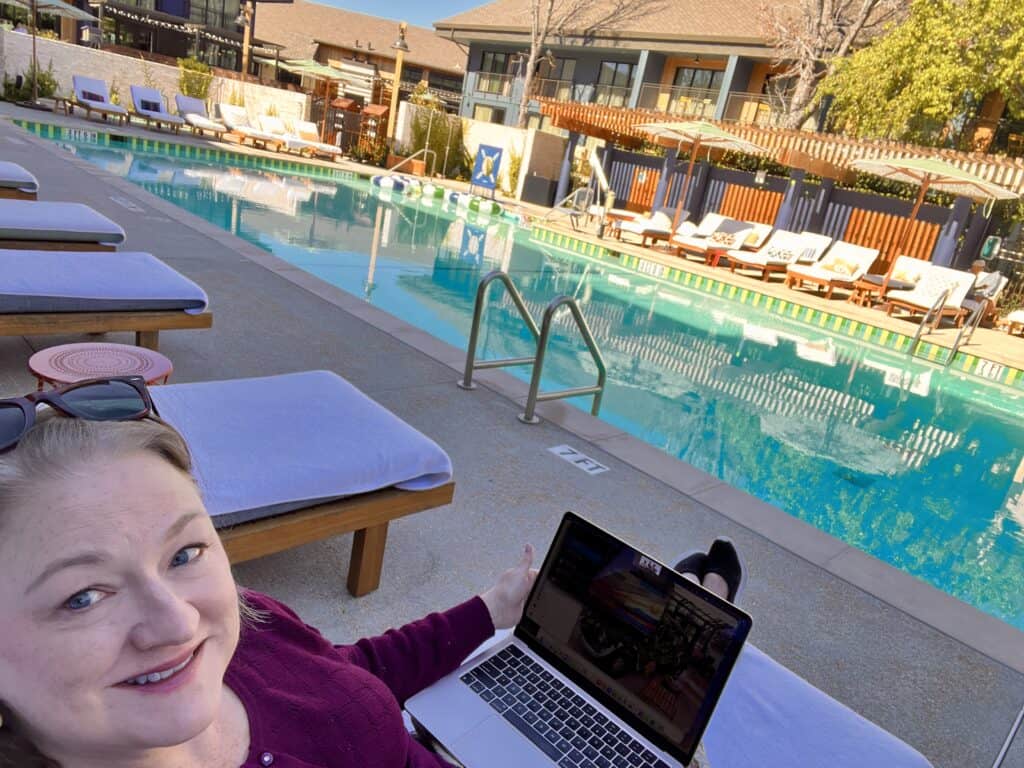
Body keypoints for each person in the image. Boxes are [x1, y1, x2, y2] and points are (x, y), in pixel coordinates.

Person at [0, 378, 538, 768]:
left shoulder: (251, 626)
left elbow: (345, 673)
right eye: (83, 597)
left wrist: (492, 609)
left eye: (184, 554)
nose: (177, 625)